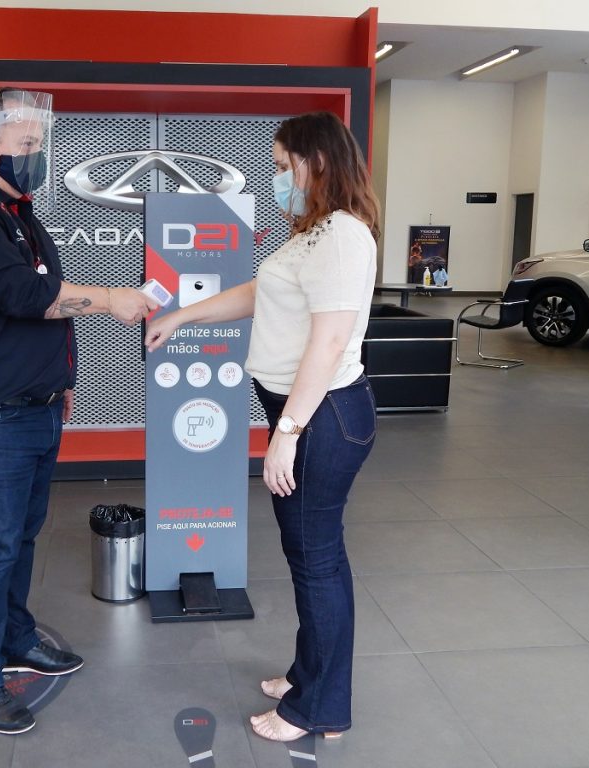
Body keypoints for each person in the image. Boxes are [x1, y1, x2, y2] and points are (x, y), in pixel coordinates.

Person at [0, 88, 156, 735]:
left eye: (39, 143)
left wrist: (61, 380)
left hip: (34, 406)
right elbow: (21, 294)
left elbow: (46, 307)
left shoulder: (16, 213)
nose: (37, 154)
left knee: (20, 535)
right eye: (27, 144)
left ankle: (16, 638)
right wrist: (110, 297)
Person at [145, 111, 380, 743]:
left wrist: (288, 433)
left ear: (316, 162)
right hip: (307, 414)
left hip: (322, 417)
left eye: (282, 166)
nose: (277, 178)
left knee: (316, 560)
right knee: (313, 554)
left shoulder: (341, 234)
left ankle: (318, 709)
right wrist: (184, 315)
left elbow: (329, 343)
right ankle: (311, 675)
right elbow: (260, 292)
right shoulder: (313, 232)